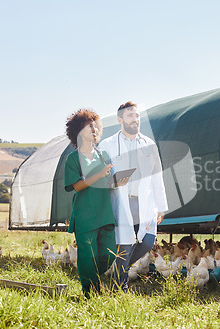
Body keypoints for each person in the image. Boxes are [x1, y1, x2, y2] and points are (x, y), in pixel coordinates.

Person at [99, 101, 168, 291]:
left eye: (137, 116)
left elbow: (157, 176)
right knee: (125, 243)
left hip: (144, 201)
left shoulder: (149, 144)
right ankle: (121, 286)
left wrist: (161, 206)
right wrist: (112, 182)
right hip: (121, 201)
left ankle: (118, 271)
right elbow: (100, 175)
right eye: (130, 116)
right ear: (120, 120)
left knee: (147, 242)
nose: (135, 119)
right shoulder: (108, 145)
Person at [64, 109, 126, 297]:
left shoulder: (103, 155)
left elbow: (108, 182)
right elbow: (77, 186)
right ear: (78, 131)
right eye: (88, 126)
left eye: (95, 126)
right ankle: (91, 294)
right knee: (87, 258)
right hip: (85, 215)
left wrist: (117, 182)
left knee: (108, 255)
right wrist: (99, 174)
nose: (94, 129)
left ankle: (90, 278)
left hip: (105, 213)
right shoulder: (73, 158)